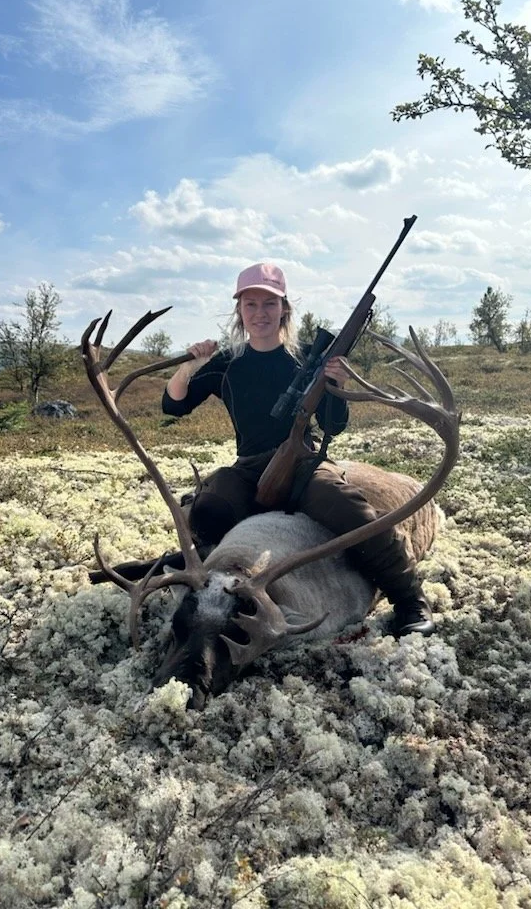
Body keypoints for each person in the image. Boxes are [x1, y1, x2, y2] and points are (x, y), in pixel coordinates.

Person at [161, 261, 434, 637]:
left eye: (269, 304)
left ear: (284, 309)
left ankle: (409, 601)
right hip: (250, 466)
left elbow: (336, 425)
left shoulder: (311, 358)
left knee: (354, 515)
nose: (260, 313)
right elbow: (173, 405)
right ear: (239, 310)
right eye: (251, 304)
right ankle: (207, 572)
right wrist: (190, 366)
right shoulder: (226, 362)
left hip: (305, 462)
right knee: (206, 508)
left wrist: (335, 384)